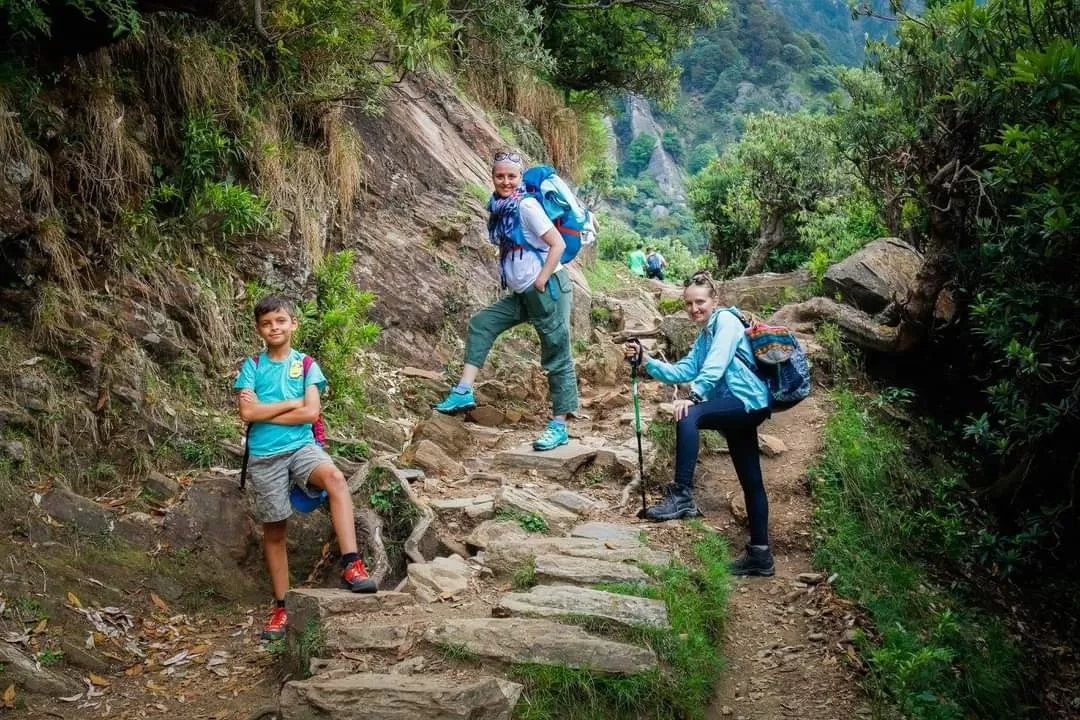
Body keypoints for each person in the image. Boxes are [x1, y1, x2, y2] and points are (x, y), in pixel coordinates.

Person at [235, 294, 377, 641]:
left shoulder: (306, 364)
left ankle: (352, 564)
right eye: (267, 323)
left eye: (281, 321)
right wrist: (293, 401)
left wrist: (271, 408)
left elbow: (310, 413)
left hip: (302, 447)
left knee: (335, 478)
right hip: (264, 455)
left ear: (293, 323)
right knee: (276, 531)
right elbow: (247, 414)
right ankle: (282, 607)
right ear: (259, 329)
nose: (275, 327)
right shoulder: (252, 365)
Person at [624, 271, 775, 577]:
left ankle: (681, 495)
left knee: (689, 414)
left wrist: (694, 397)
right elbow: (684, 369)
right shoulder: (705, 334)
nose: (694, 309)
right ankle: (761, 555)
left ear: (714, 300)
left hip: (746, 401)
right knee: (751, 480)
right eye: (689, 304)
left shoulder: (726, 323)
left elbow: (716, 365)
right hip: (737, 408)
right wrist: (646, 360)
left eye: (700, 302)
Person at [433, 150, 579, 452]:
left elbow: (558, 244)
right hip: (523, 295)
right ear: (493, 177)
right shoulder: (499, 207)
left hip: (548, 290)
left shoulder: (525, 205)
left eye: (512, 176)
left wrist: (540, 279)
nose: (506, 181)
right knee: (482, 323)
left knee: (556, 354)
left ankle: (559, 425)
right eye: (500, 176)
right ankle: (463, 391)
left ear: (519, 178)